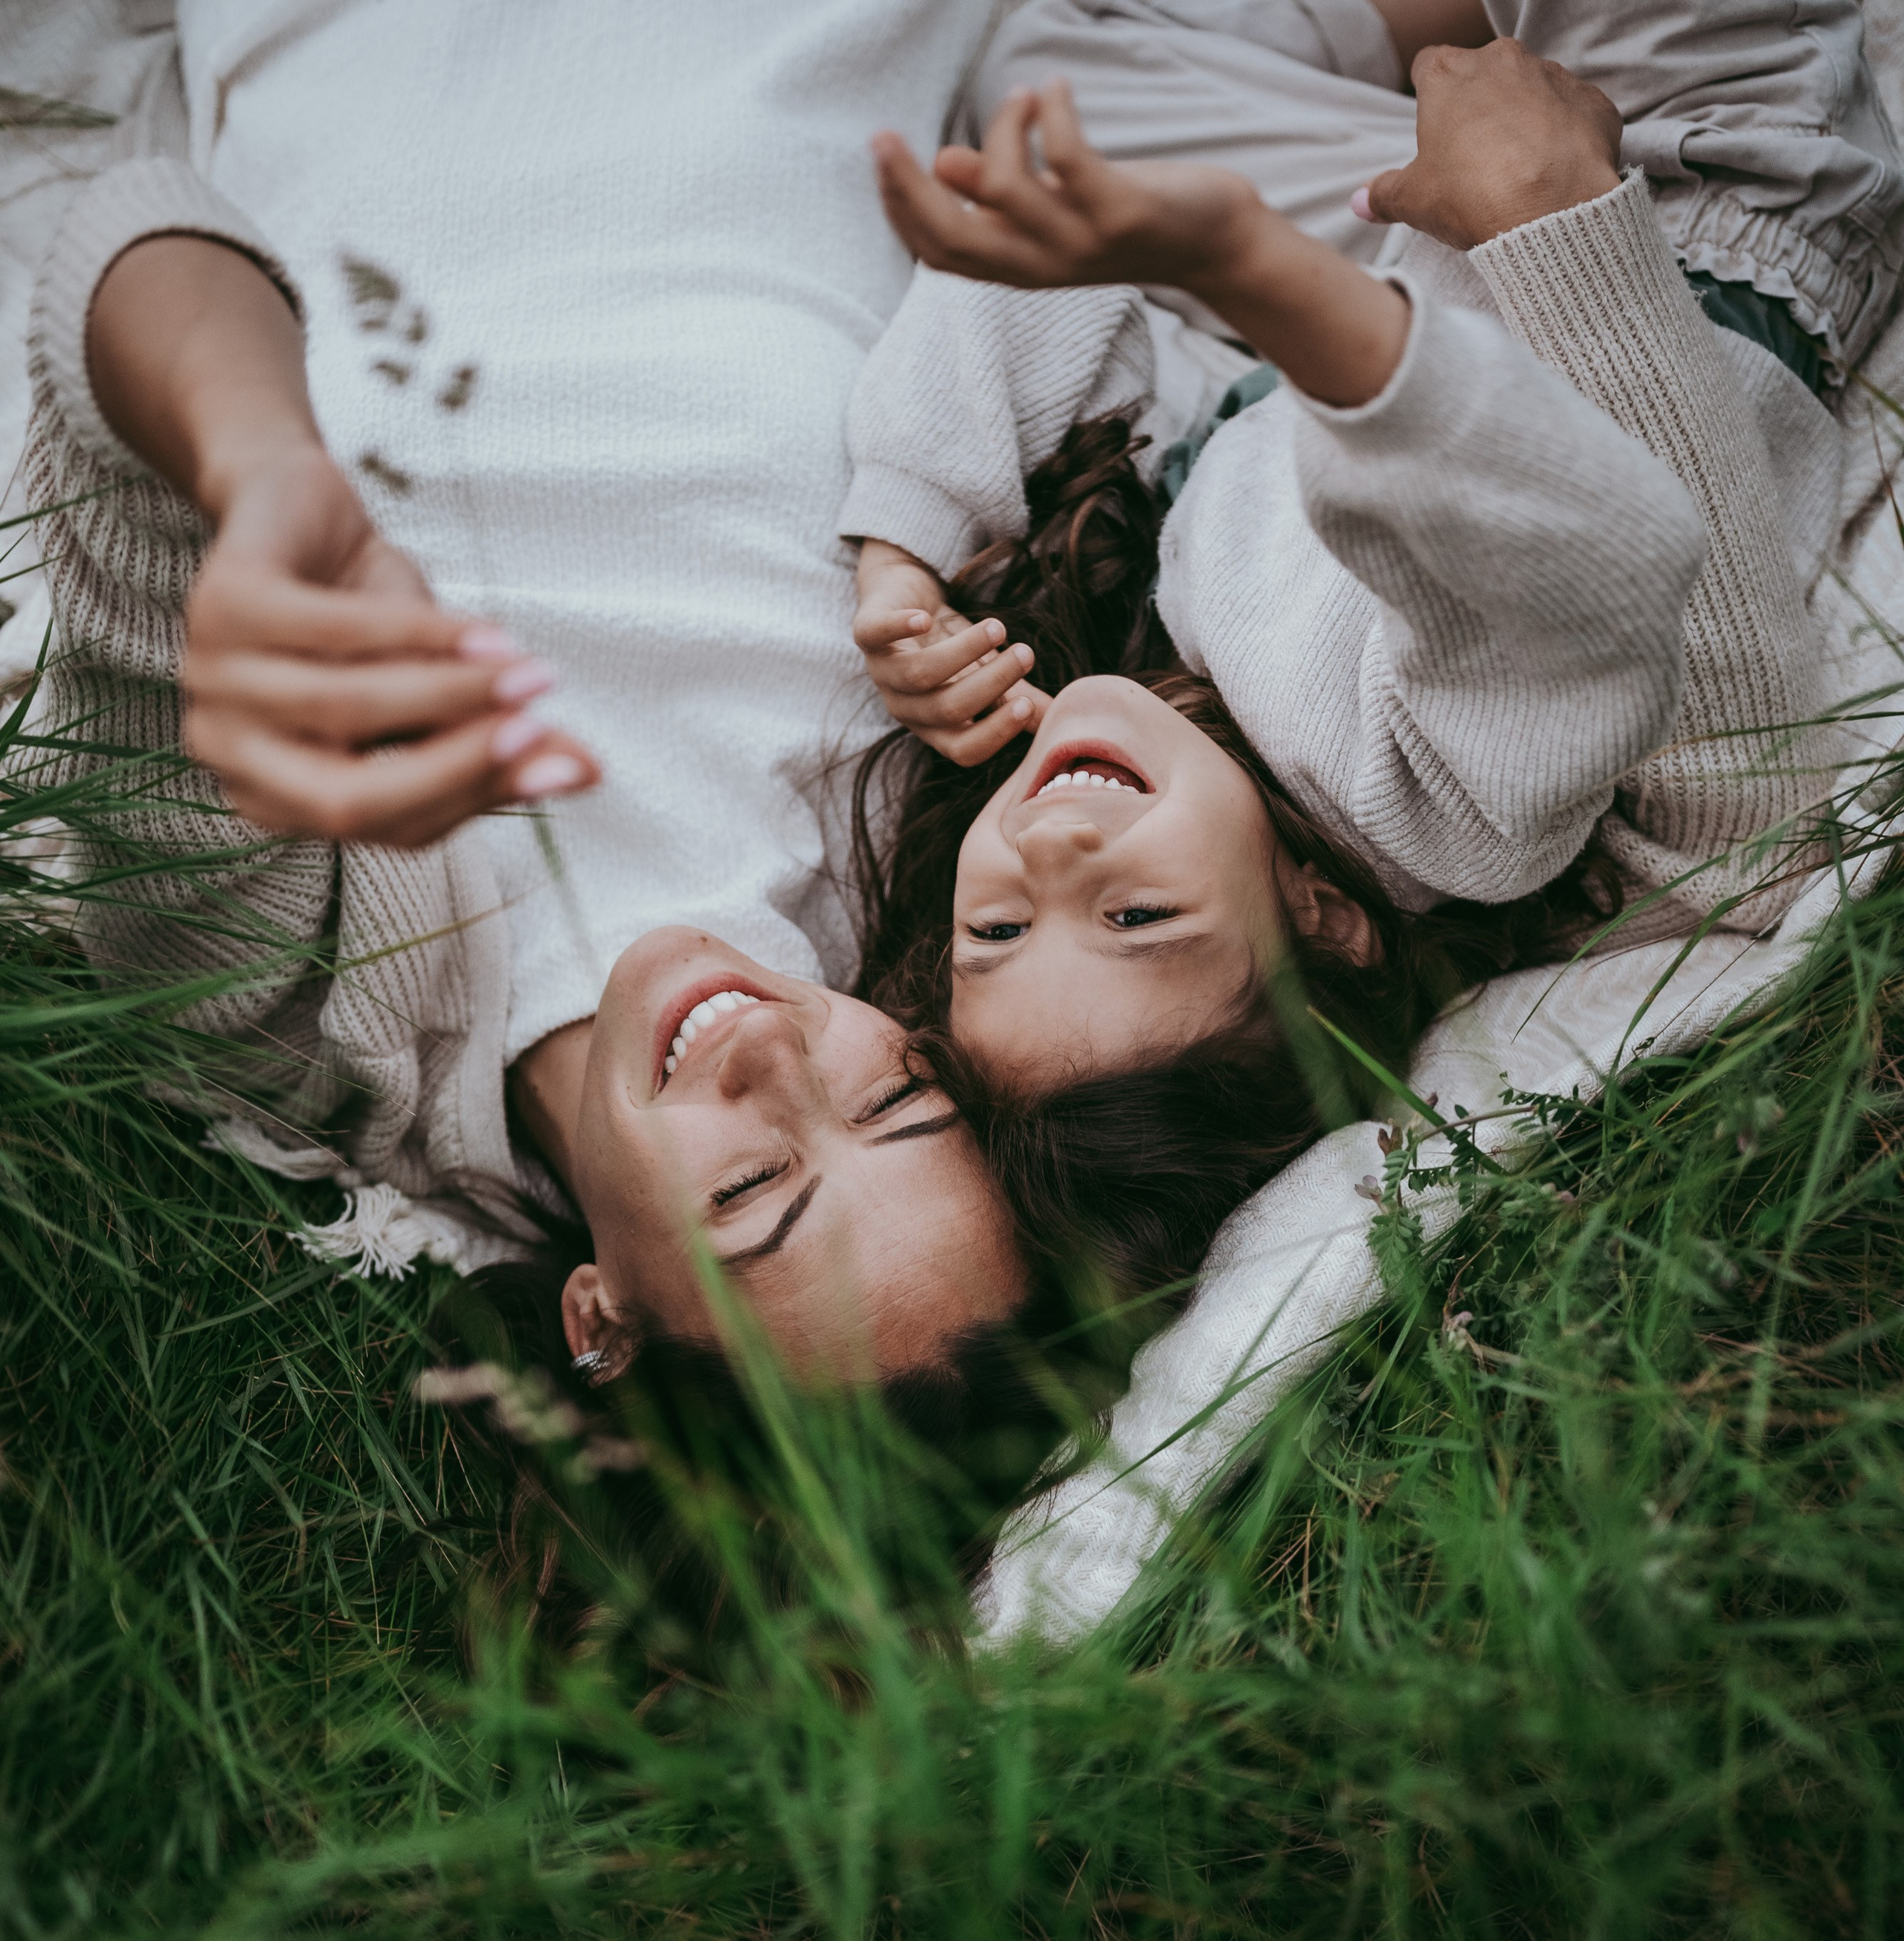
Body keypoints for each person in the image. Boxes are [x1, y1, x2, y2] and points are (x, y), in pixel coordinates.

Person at [20, 0, 1040, 1402]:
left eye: (750, 1189)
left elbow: (131, 239)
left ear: (598, 1318)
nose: (774, 1050)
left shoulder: (294, 1023)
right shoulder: (940, 824)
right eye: (895, 1097)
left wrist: (260, 476)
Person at [840, 9, 1897, 1295]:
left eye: (999, 929)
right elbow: (1576, 561)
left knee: (1035, 103)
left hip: (1418, 242)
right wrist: (1266, 269)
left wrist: (907, 548)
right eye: (1136, 917)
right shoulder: (1442, 810)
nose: (1051, 851)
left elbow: (1081, 315)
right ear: (1328, 922)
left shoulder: (1186, 692)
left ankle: (1444, 44)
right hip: (1700, 197)